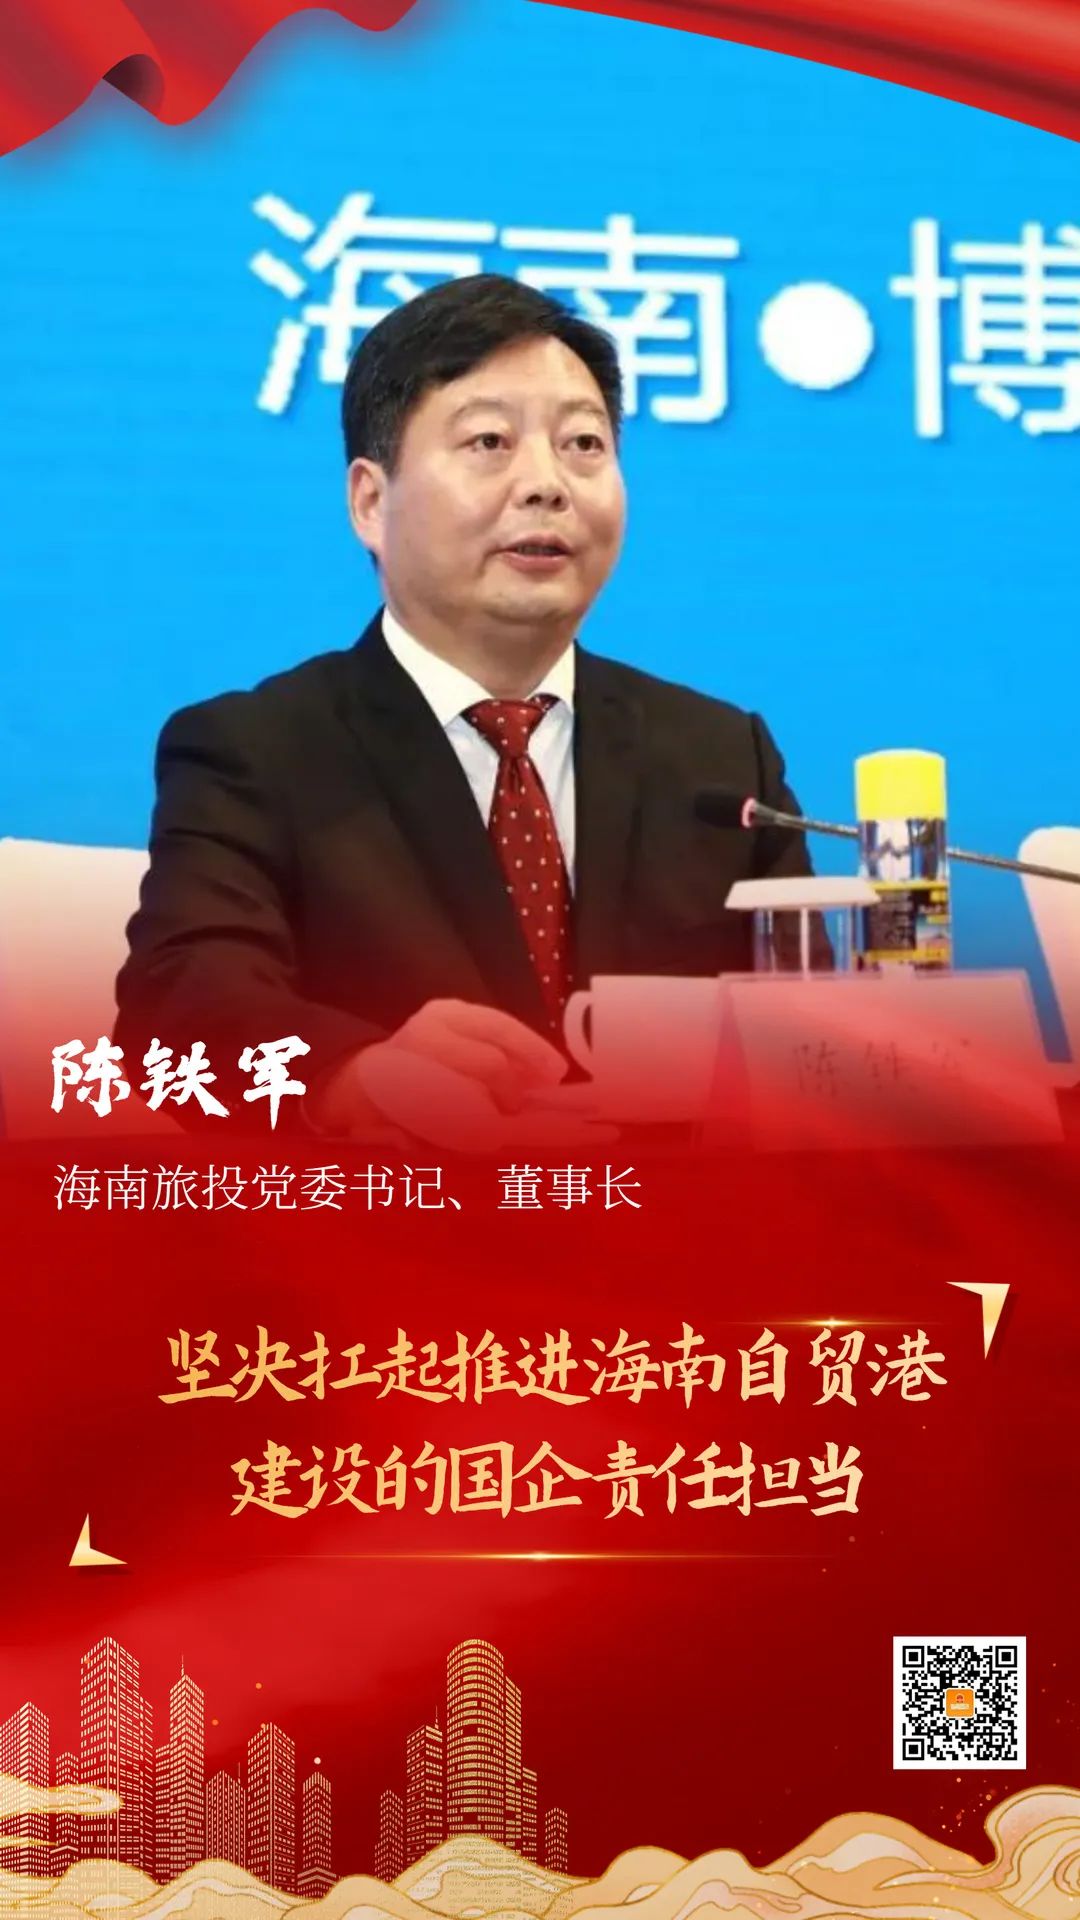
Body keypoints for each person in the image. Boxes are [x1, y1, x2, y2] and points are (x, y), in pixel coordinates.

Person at [115, 274, 811, 1147]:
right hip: (404, 1214)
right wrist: (354, 1081)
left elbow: (813, 1032)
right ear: (371, 502)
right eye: (489, 441)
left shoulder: (721, 759)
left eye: (584, 444)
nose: (547, 484)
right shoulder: (255, 751)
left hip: (680, 1220)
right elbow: (180, 1007)